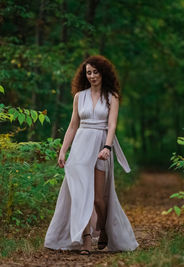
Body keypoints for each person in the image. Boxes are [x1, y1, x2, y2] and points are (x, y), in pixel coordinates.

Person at [44, 55, 138, 255]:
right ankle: (85, 240)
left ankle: (103, 228)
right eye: (89, 72)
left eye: (96, 72)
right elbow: (73, 125)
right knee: (80, 195)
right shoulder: (80, 96)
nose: (92, 76)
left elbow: (112, 125)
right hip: (80, 146)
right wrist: (63, 150)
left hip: (100, 147)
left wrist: (107, 147)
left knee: (98, 199)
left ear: (103, 73)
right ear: (84, 75)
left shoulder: (112, 96)